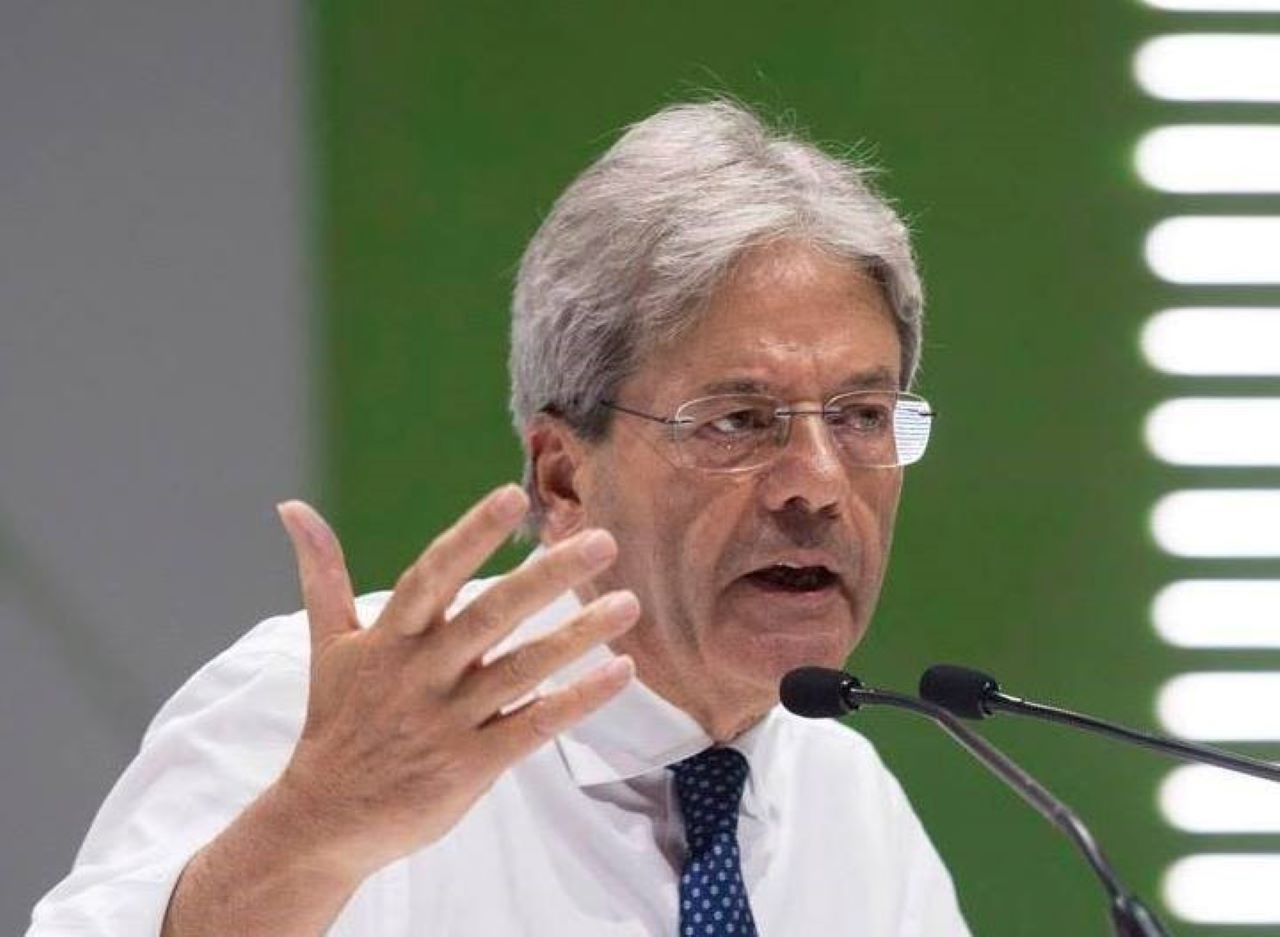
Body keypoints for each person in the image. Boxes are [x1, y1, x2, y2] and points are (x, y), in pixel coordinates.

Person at [29, 100, 970, 936]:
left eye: (862, 417)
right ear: (562, 477)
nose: (817, 483)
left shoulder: (852, 808)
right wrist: (312, 828)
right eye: (736, 420)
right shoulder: (329, 723)